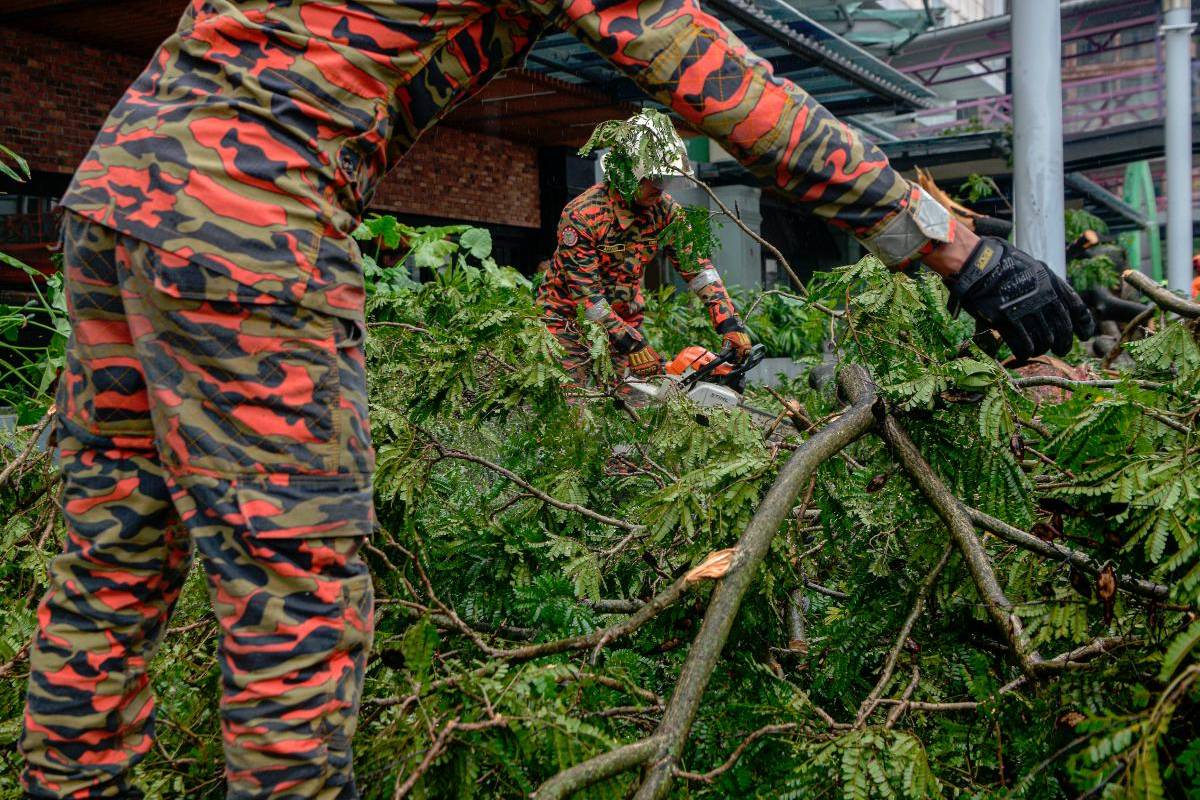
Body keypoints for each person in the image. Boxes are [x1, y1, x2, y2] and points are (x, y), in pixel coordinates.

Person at [21, 1, 1095, 798]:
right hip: (248, 209)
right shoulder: (591, 215)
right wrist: (952, 245)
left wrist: (724, 340)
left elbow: (695, 270)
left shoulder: (654, 218)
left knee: (114, 545)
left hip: (120, 185)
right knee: (289, 576)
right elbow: (711, 76)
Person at [538, 114, 749, 384]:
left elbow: (699, 270)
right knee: (577, 403)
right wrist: (633, 344)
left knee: (629, 404)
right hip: (566, 324)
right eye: (654, 178)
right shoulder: (583, 215)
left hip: (625, 324)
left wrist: (728, 321)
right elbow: (588, 299)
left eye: (665, 179)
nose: (661, 188)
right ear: (627, 173)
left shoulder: (666, 212)